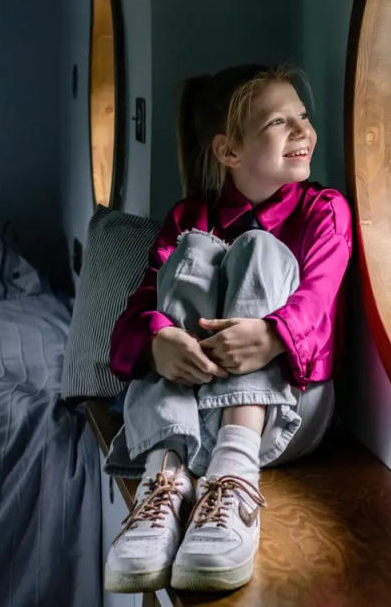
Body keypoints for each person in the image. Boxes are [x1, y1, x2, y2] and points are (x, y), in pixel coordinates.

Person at [101, 64, 352, 593]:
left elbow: (316, 300)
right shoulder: (189, 217)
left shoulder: (323, 211)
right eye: (279, 123)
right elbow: (132, 317)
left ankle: (234, 481)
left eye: (302, 117)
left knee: (259, 249)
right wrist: (157, 341)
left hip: (282, 413)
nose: (303, 131)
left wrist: (273, 335)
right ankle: (163, 485)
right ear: (229, 152)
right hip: (185, 423)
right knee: (195, 252)